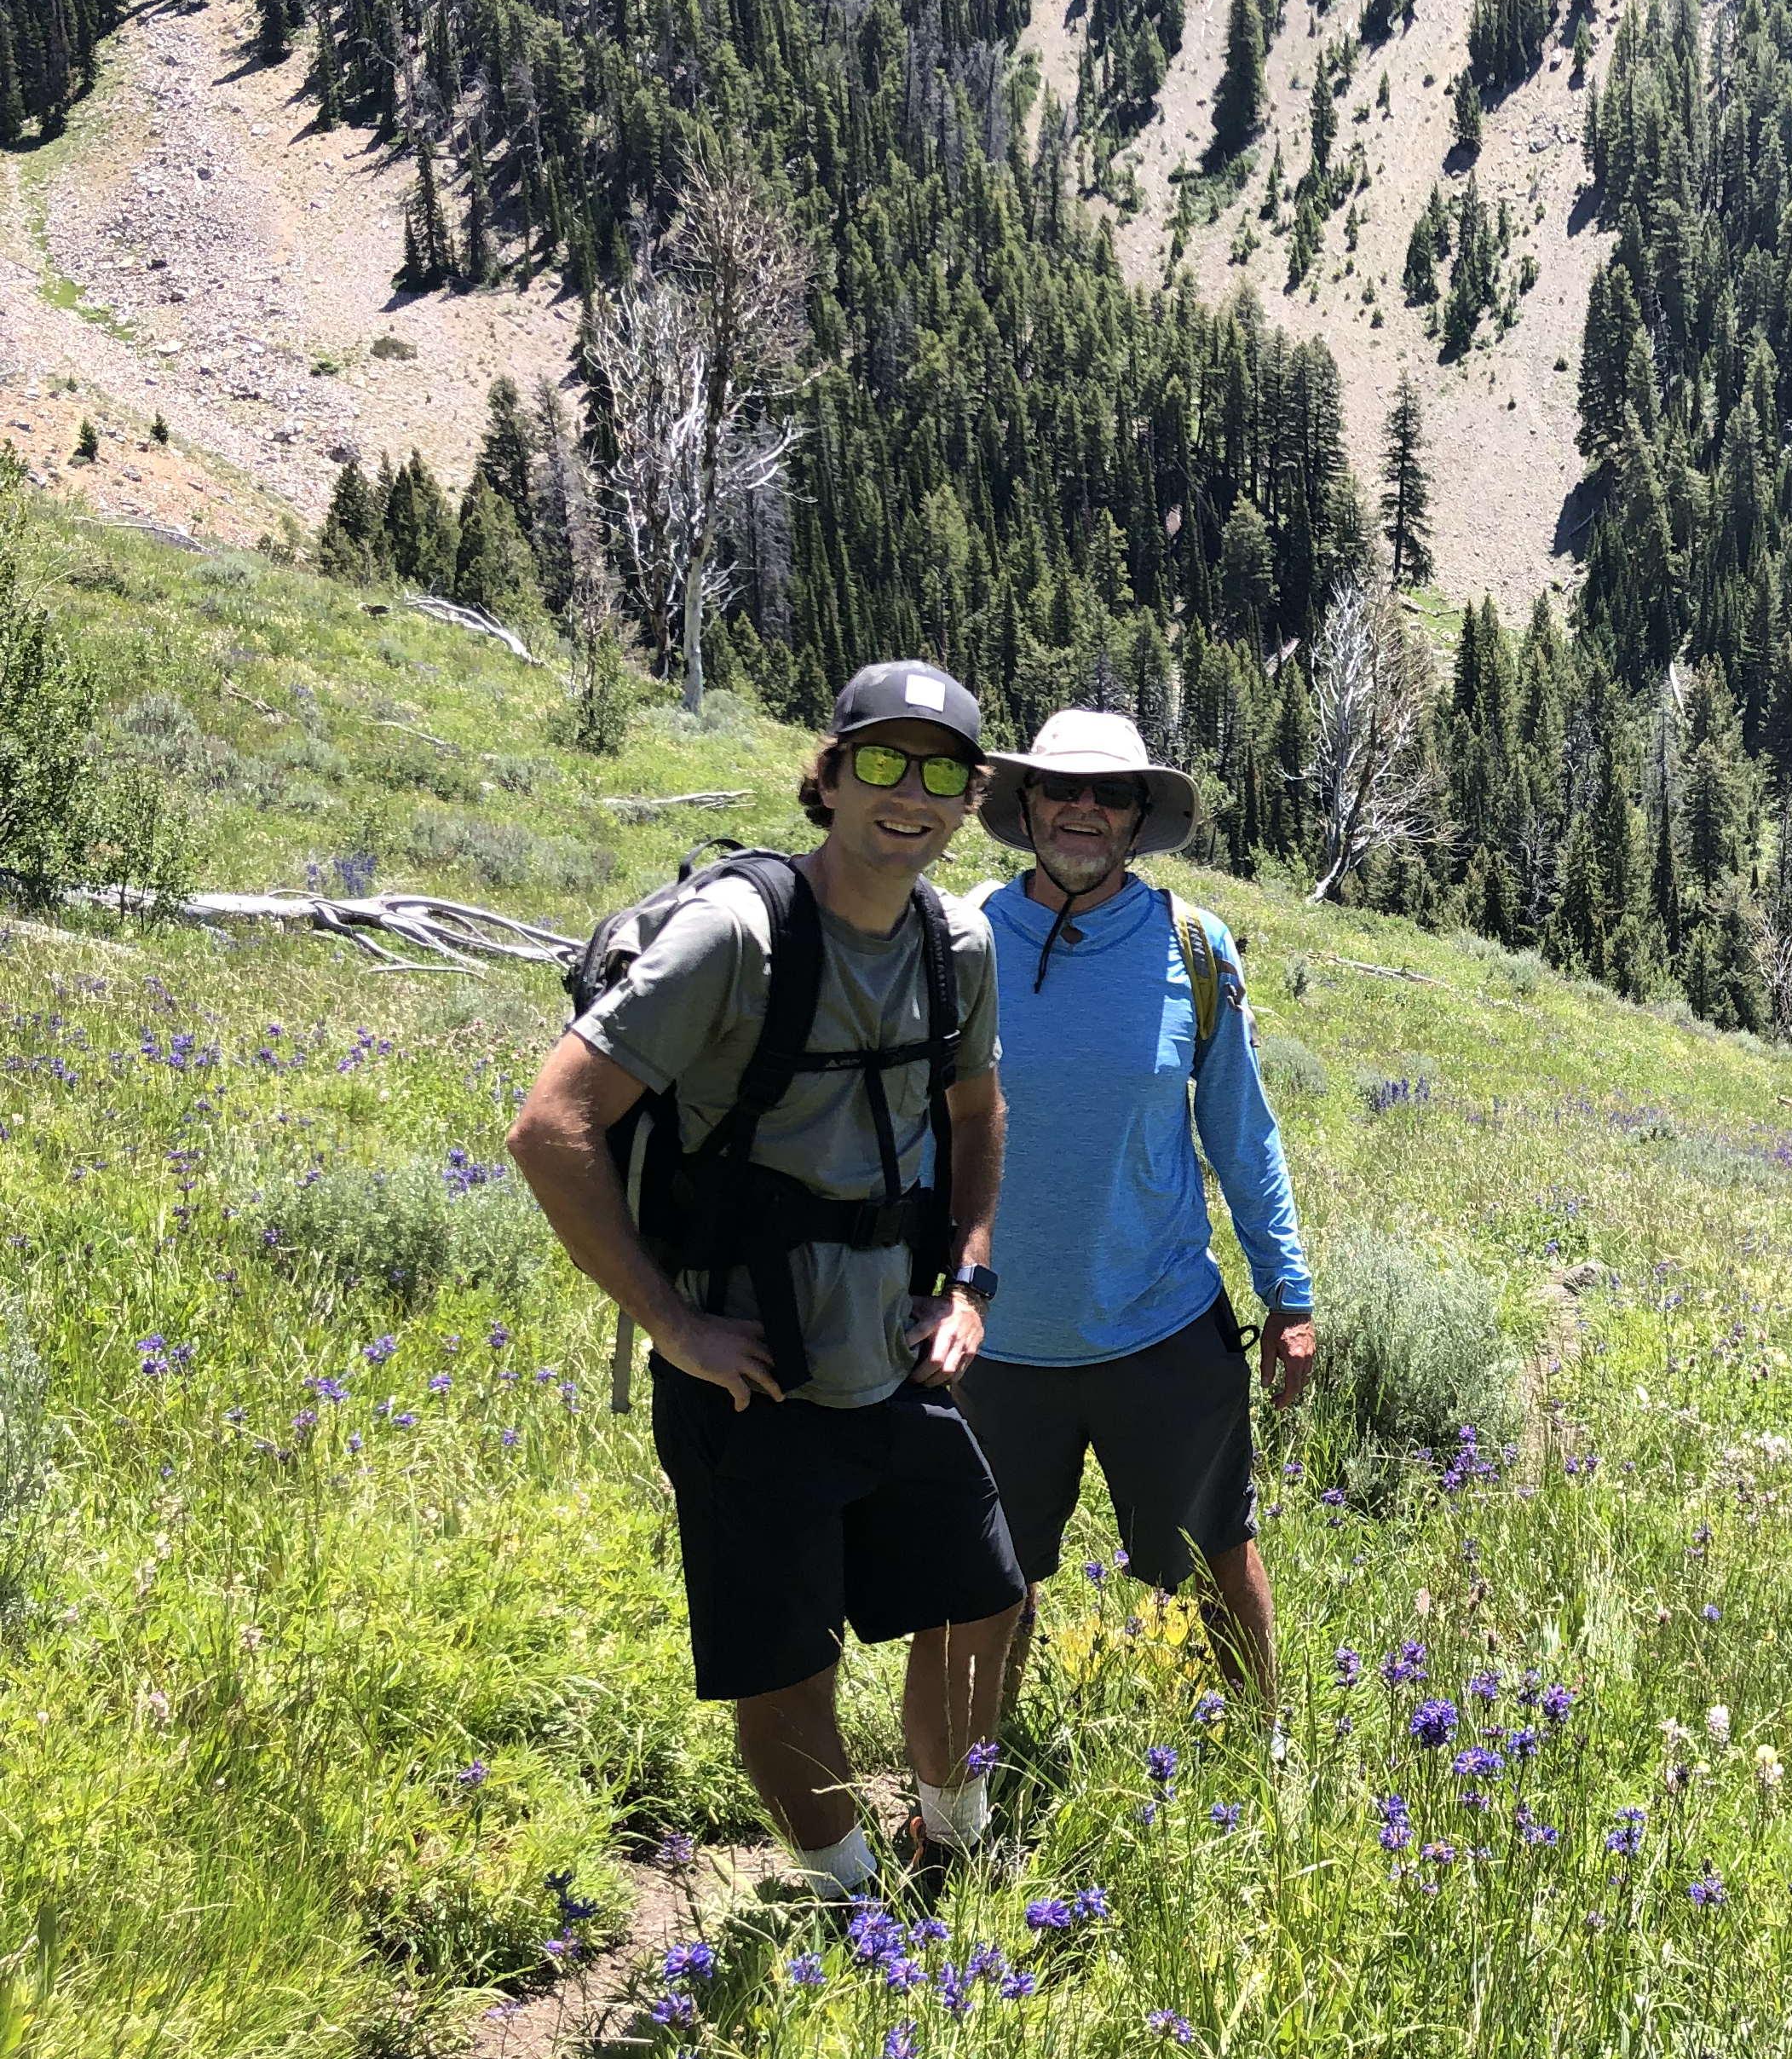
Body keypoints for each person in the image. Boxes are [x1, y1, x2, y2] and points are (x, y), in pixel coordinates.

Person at [506, 662, 1025, 1900]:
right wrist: (674, 1324)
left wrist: (967, 1283)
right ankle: (851, 1902)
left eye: (942, 771)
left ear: (970, 800)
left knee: (983, 1592)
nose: (911, 794)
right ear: (831, 773)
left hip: (894, 1341)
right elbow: (551, 1126)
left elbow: (978, 1115)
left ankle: (950, 1836)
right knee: (785, 1663)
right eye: (885, 763)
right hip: (752, 1363)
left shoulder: (956, 944)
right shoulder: (736, 936)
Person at [959, 709, 1316, 1738]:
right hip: (993, 1340)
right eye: (1064, 790)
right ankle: (965, 1791)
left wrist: (1287, 1293)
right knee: (988, 1582)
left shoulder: (1191, 947)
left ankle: (1262, 1754)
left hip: (1160, 1329)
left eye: (1110, 793)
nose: (1084, 808)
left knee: (1213, 1552)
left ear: (1137, 817)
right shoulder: (963, 934)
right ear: (1025, 805)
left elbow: (1244, 1135)